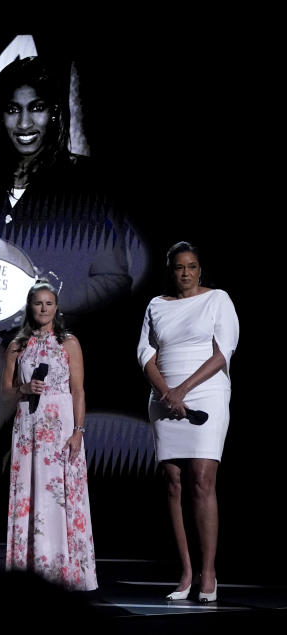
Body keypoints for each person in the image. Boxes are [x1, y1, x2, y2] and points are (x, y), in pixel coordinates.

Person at [0, 55, 131, 316]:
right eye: (13, 110)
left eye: (37, 108)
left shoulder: (88, 181)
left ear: (55, 112)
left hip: (57, 346)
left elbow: (114, 280)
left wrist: (50, 300)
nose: (24, 123)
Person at [137, 242, 238, 603]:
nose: (185, 273)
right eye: (179, 267)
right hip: (164, 397)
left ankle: (209, 572)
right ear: (171, 270)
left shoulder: (218, 300)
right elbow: (145, 352)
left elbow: (223, 350)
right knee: (174, 482)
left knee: (202, 478)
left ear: (200, 269)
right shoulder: (156, 305)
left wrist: (183, 390)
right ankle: (185, 572)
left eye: (192, 266)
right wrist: (167, 392)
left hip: (205, 392)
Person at [1, 281, 97, 591]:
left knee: (62, 496)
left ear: (56, 308)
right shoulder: (18, 345)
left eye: (49, 303)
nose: (43, 308)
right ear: (30, 307)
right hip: (28, 427)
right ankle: (31, 571)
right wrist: (23, 389)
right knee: (31, 495)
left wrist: (78, 431)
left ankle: (66, 572)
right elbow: (4, 391)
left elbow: (79, 390)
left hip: (61, 427)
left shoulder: (68, 342)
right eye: (38, 303)